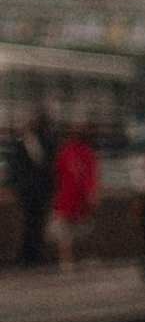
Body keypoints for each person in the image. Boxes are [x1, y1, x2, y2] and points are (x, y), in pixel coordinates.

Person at [45, 123, 99, 271]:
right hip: (78, 197)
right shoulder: (87, 152)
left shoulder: (64, 151)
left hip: (65, 195)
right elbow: (90, 177)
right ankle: (82, 258)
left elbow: (56, 173)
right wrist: (91, 195)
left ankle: (66, 261)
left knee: (65, 232)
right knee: (82, 231)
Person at [8, 112, 53, 274]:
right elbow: (15, 168)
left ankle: (33, 255)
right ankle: (29, 255)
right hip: (28, 192)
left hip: (39, 191)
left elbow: (48, 167)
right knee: (30, 223)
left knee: (36, 223)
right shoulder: (21, 145)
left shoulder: (45, 143)